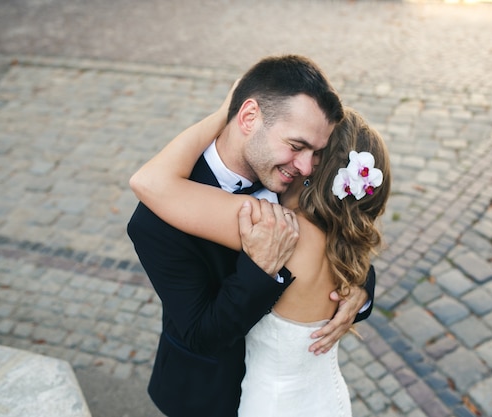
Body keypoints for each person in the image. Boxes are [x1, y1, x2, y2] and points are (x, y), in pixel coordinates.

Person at [127, 55, 376, 417]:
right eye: (296, 146)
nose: (307, 166)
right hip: (204, 396)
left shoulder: (295, 182)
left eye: (317, 152)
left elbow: (336, 232)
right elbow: (201, 335)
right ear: (247, 118)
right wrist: (260, 270)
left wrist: (360, 286)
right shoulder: (156, 219)